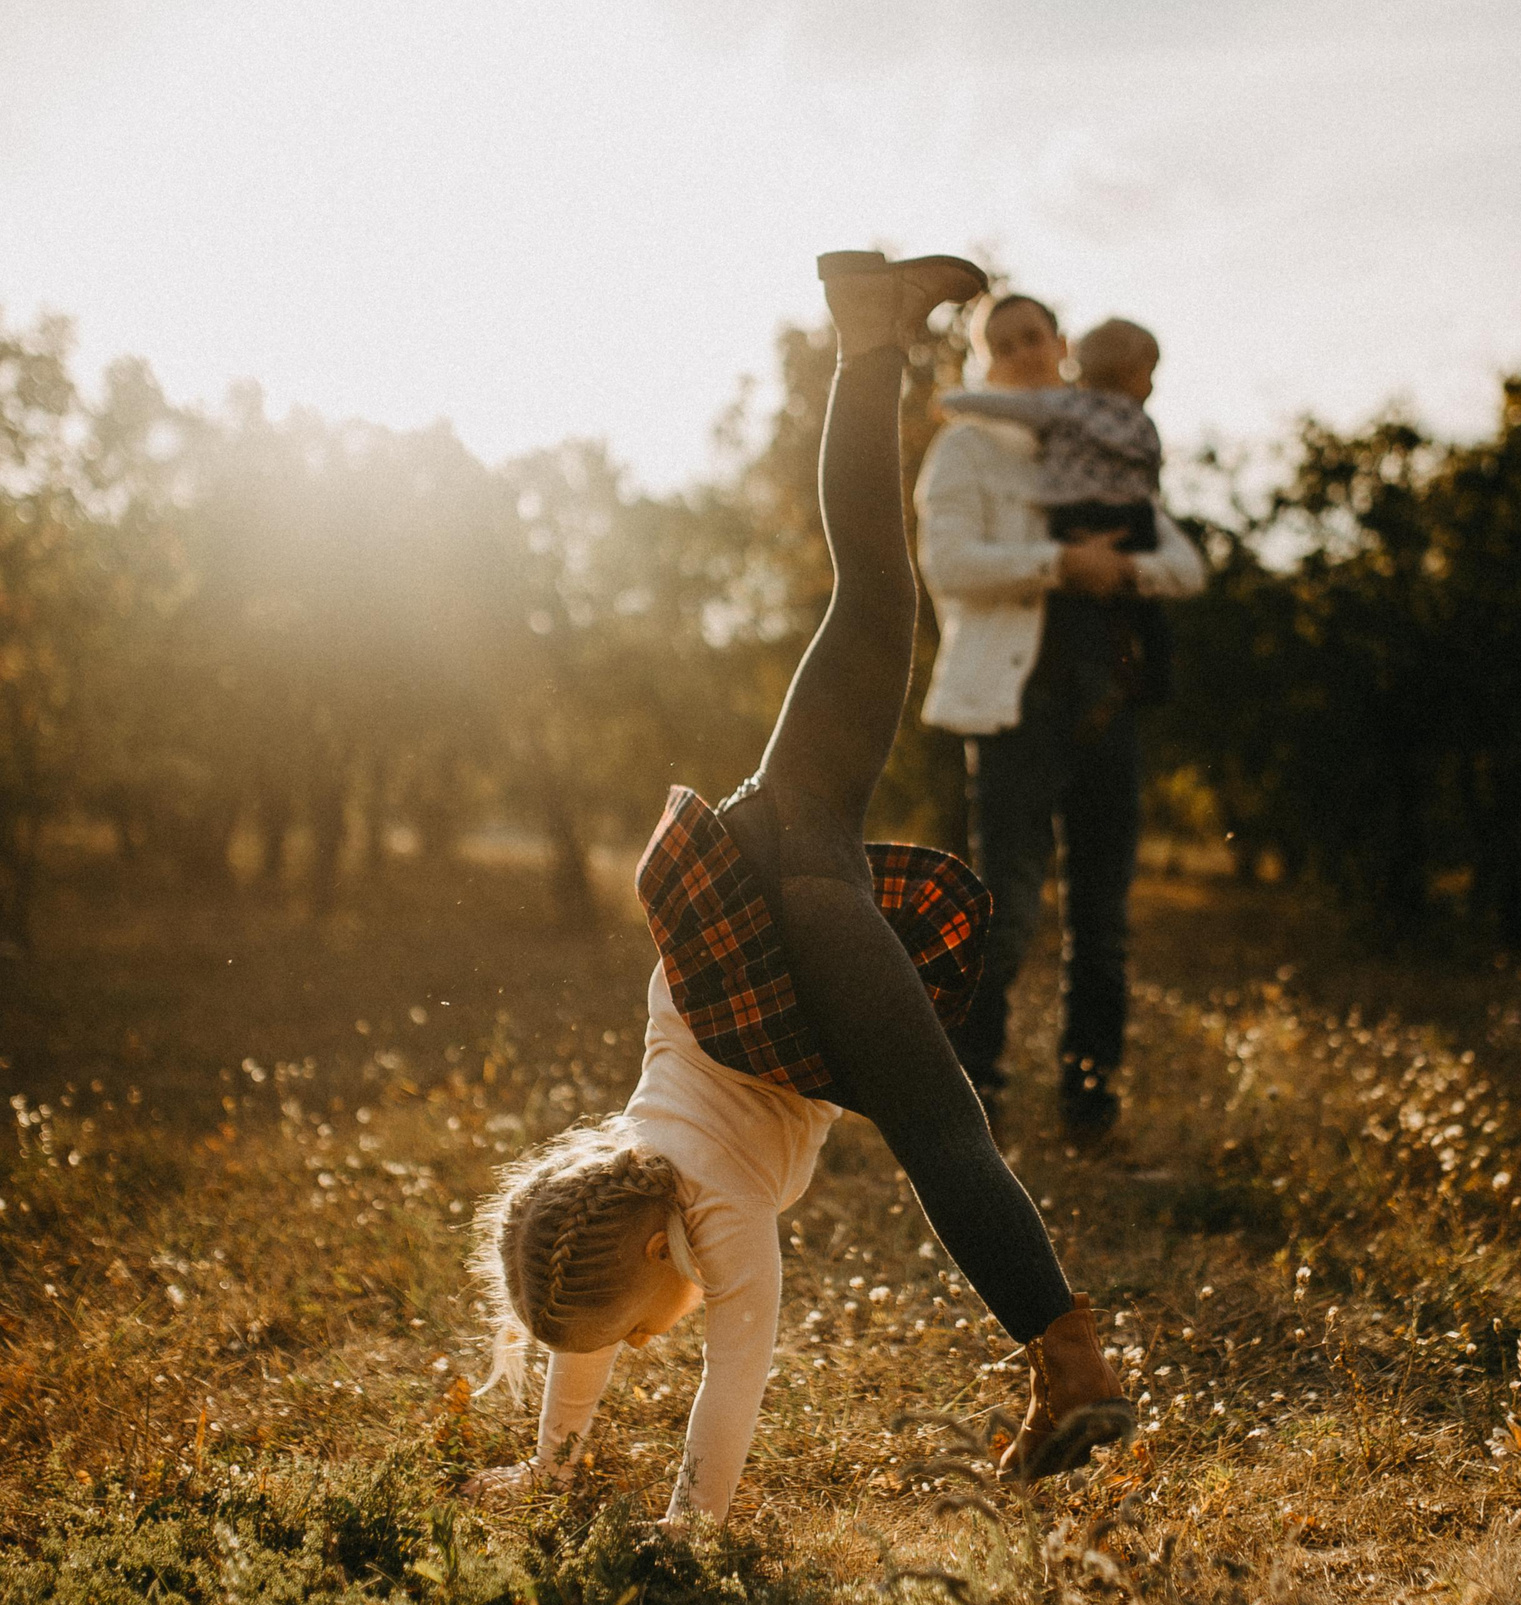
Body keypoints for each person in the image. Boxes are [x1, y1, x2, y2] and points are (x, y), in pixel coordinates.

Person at [467, 252, 1132, 1526]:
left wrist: (685, 1530)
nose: (647, 1339)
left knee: (942, 1130)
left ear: (665, 1250)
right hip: (770, 849)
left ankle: (1071, 1367)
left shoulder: (713, 1225)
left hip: (800, 952)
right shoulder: (626, 1179)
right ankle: (869, 336)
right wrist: (547, 1462)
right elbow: (582, 1314)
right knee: (877, 595)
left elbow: (731, 1380)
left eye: (637, 1321)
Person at [916, 296, 1205, 1138]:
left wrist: (1120, 573)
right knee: (1003, 910)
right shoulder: (964, 448)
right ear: (986, 361)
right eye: (1001, 345)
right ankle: (973, 1099)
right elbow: (949, 562)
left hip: (1108, 705)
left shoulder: (1098, 443)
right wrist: (1059, 562)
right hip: (1015, 706)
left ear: (1061, 344)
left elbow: (1183, 565)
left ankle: (1089, 1100)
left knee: (1103, 920)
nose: (1020, 353)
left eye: (1032, 337)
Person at [938, 317, 1166, 553]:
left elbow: (1008, 406)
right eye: (1004, 349)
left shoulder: (1068, 405)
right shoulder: (1142, 423)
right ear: (1128, 372)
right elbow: (1153, 473)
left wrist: (951, 401)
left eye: (1032, 339)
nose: (1023, 356)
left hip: (1073, 512)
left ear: (1064, 348)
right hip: (1134, 516)